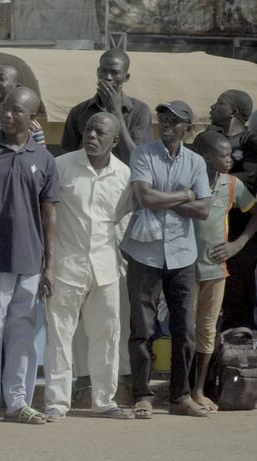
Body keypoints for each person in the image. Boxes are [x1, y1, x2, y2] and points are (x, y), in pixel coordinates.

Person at [0, 87, 59, 427]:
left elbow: (50, 216)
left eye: (17, 110)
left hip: (30, 262)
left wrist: (49, 265)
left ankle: (18, 401)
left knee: (23, 332)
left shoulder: (44, 159)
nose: (7, 115)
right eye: (5, 108)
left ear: (32, 117)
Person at [120, 100, 211, 419]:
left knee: (185, 329)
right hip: (144, 252)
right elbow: (144, 197)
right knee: (142, 328)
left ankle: (180, 396)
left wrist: (164, 200)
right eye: (163, 118)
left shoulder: (196, 162)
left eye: (174, 120)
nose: (167, 124)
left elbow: (203, 210)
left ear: (189, 127)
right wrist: (185, 195)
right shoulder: (143, 154)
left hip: (182, 255)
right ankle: (142, 395)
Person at [43, 112, 134, 421]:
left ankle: (105, 400)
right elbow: (48, 213)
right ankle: (56, 404)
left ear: (115, 141)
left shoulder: (123, 175)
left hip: (106, 266)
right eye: (89, 130)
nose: (92, 136)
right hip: (66, 264)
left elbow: (120, 218)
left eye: (100, 133)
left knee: (107, 334)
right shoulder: (61, 166)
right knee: (60, 335)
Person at [189, 130, 257, 412]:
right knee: (185, 330)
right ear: (206, 158)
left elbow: (254, 214)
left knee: (206, 331)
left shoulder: (231, 185)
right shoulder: (186, 182)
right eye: (224, 155)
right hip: (184, 270)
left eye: (230, 154)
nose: (230, 160)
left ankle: (199, 390)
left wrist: (236, 245)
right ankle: (179, 389)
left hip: (216, 270)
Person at [207, 90, 257, 331]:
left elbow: (252, 178)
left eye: (219, 103)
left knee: (239, 291)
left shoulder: (250, 142)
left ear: (233, 111)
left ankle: (239, 344)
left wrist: (219, 182)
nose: (212, 107)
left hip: (242, 228)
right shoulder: (208, 138)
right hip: (210, 228)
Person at [61, 48, 152, 165]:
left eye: (115, 72)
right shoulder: (79, 111)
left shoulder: (140, 111)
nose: (108, 77)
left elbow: (139, 162)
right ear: (98, 72)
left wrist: (115, 111)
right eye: (104, 71)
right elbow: (67, 157)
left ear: (126, 77)